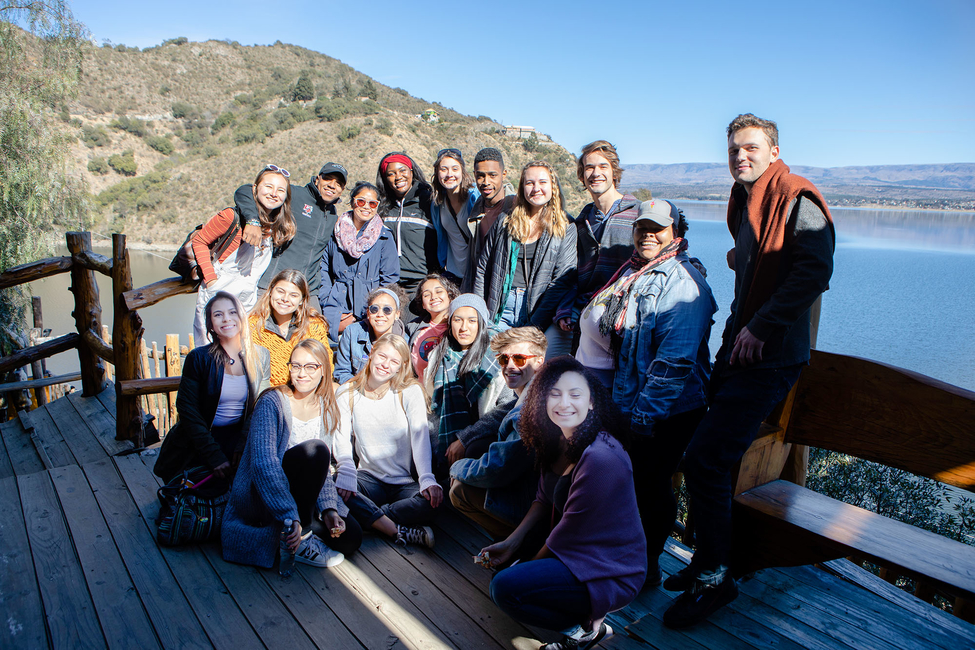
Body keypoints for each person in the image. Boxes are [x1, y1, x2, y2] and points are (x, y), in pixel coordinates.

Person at [662, 114, 835, 628]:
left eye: (751, 148)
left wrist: (761, 326)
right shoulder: (745, 197)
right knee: (712, 455)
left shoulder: (798, 197)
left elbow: (815, 270)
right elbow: (760, 262)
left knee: (707, 458)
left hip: (772, 352)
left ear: (774, 150)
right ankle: (708, 562)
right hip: (743, 346)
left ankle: (716, 577)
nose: (741, 156)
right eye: (734, 149)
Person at [577, 199, 716, 587]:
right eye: (642, 228)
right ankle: (630, 557)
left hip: (668, 409)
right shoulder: (636, 271)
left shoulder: (683, 283)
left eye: (658, 228)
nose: (648, 235)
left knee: (651, 484)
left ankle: (648, 565)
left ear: (677, 233)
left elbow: (674, 364)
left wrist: (641, 418)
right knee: (635, 482)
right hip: (634, 400)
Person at [482, 357, 646, 650]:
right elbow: (543, 499)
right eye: (555, 394)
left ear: (592, 402)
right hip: (576, 553)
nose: (564, 403)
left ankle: (584, 630)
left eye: (575, 394)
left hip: (609, 570)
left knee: (505, 588)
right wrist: (511, 543)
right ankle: (583, 620)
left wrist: (523, 566)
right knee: (506, 571)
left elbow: (564, 537)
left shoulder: (601, 458)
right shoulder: (557, 439)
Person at [221, 340, 361, 569]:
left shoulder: (326, 407)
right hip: (265, 496)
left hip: (303, 498)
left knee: (350, 538)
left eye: (310, 367)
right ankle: (302, 537)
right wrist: (290, 514)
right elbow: (263, 465)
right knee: (314, 450)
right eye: (295, 366)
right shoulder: (272, 402)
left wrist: (329, 509)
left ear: (324, 369)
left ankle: (294, 531)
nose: (301, 373)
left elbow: (322, 470)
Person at [334, 334, 442, 548]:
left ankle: (375, 520)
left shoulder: (409, 392)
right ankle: (398, 529)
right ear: (371, 355)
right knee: (334, 488)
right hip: (367, 479)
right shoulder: (346, 392)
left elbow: (420, 437)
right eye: (382, 356)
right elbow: (341, 436)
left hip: (403, 482)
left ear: (401, 367)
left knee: (434, 502)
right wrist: (346, 468)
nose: (385, 365)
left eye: (393, 361)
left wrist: (427, 478)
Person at [155, 292, 270, 487]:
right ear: (210, 324)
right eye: (218, 314)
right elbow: (187, 409)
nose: (226, 318)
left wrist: (242, 446)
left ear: (242, 317)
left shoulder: (260, 355)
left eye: (232, 312)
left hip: (238, 436)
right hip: (202, 438)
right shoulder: (199, 358)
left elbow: (260, 405)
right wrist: (213, 455)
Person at [449, 326, 547, 539]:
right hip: (537, 487)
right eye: (504, 360)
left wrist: (457, 468)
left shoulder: (529, 410)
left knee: (459, 491)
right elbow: (501, 413)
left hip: (541, 505)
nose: (510, 366)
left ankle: (520, 546)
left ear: (539, 361)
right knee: (476, 447)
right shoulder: (536, 388)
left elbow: (498, 468)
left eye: (519, 359)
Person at [474, 161, 577, 357]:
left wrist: (533, 325)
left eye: (542, 182)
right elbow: (483, 268)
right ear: (522, 187)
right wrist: (481, 314)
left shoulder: (566, 226)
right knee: (493, 364)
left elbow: (562, 280)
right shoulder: (505, 221)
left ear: (553, 186)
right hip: (501, 307)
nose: (536, 188)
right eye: (529, 183)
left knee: (528, 367)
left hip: (540, 309)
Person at [193, 165, 296, 346]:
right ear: (255, 189)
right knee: (210, 353)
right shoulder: (230, 217)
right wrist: (210, 280)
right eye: (268, 187)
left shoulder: (275, 227)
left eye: (280, 190)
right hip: (218, 293)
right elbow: (199, 241)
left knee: (239, 353)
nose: (274, 193)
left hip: (246, 301)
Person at [556, 141, 641, 344]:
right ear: (582, 175)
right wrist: (566, 309)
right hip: (585, 312)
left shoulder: (637, 213)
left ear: (614, 172)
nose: (596, 173)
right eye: (589, 167)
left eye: (603, 166)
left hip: (625, 315)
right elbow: (573, 274)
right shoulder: (582, 222)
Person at [236, 162, 347, 309]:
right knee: (256, 329)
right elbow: (245, 191)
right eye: (328, 179)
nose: (332, 185)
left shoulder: (333, 216)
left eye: (338, 183)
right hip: (271, 284)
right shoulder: (294, 195)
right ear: (317, 179)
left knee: (316, 330)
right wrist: (253, 221)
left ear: (342, 190)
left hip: (305, 291)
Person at [424, 294, 505, 470]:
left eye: (472, 321)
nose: (463, 328)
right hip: (446, 439)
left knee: (473, 450)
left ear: (481, 323)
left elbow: (504, 409)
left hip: (486, 436)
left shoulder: (498, 356)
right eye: (458, 320)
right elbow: (432, 408)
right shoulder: (438, 356)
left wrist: (465, 438)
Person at [319, 181, 399, 343]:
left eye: (372, 203)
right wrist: (327, 299)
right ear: (352, 202)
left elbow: (390, 279)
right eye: (361, 201)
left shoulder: (384, 236)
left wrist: (376, 308)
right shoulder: (335, 232)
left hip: (369, 308)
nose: (366, 207)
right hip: (336, 304)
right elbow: (324, 269)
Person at [248, 269, 332, 386]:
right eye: (280, 291)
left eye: (293, 295)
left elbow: (325, 365)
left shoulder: (313, 326)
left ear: (302, 300)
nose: (285, 299)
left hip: (307, 391)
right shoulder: (253, 325)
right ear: (271, 291)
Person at [375, 152, 436, 304]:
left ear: (411, 171)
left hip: (421, 283)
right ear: (384, 178)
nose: (398, 177)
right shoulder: (381, 206)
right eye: (391, 173)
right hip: (389, 283)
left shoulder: (429, 201)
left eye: (403, 170)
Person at [333, 285, 406, 385]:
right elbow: (341, 372)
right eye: (374, 309)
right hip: (357, 390)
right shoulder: (352, 332)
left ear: (397, 314)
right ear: (368, 313)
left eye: (387, 310)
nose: (380, 314)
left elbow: (404, 379)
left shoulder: (405, 342)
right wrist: (365, 390)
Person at [466, 148, 517, 291]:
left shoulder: (517, 208)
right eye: (480, 176)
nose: (486, 182)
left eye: (492, 175)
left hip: (508, 290)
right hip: (482, 286)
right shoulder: (476, 209)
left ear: (504, 174)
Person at [430, 148, 479, 286]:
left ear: (462, 171)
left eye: (455, 169)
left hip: (475, 274)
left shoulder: (474, 198)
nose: (449, 174)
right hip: (452, 273)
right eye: (444, 169)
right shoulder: (437, 204)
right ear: (437, 173)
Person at [404, 273, 460, 382]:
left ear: (450, 296)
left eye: (439, 291)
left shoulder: (460, 326)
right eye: (426, 295)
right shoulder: (412, 328)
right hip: (419, 392)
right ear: (423, 304)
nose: (433, 297)